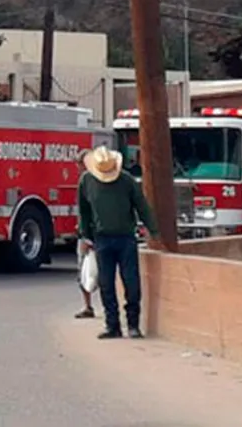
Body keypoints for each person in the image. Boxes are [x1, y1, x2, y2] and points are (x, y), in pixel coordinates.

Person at [77, 145, 159, 340]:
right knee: (106, 284)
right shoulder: (86, 181)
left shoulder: (127, 181)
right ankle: (112, 325)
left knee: (131, 282)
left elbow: (142, 206)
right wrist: (85, 236)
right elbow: (84, 210)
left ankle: (133, 324)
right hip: (101, 238)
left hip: (125, 238)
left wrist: (153, 230)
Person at [74, 149, 95, 319]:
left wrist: (85, 236)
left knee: (85, 271)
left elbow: (84, 211)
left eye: (79, 164)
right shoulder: (89, 181)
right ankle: (88, 306)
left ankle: (88, 306)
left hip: (91, 234)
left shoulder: (87, 182)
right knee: (87, 273)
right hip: (92, 233)